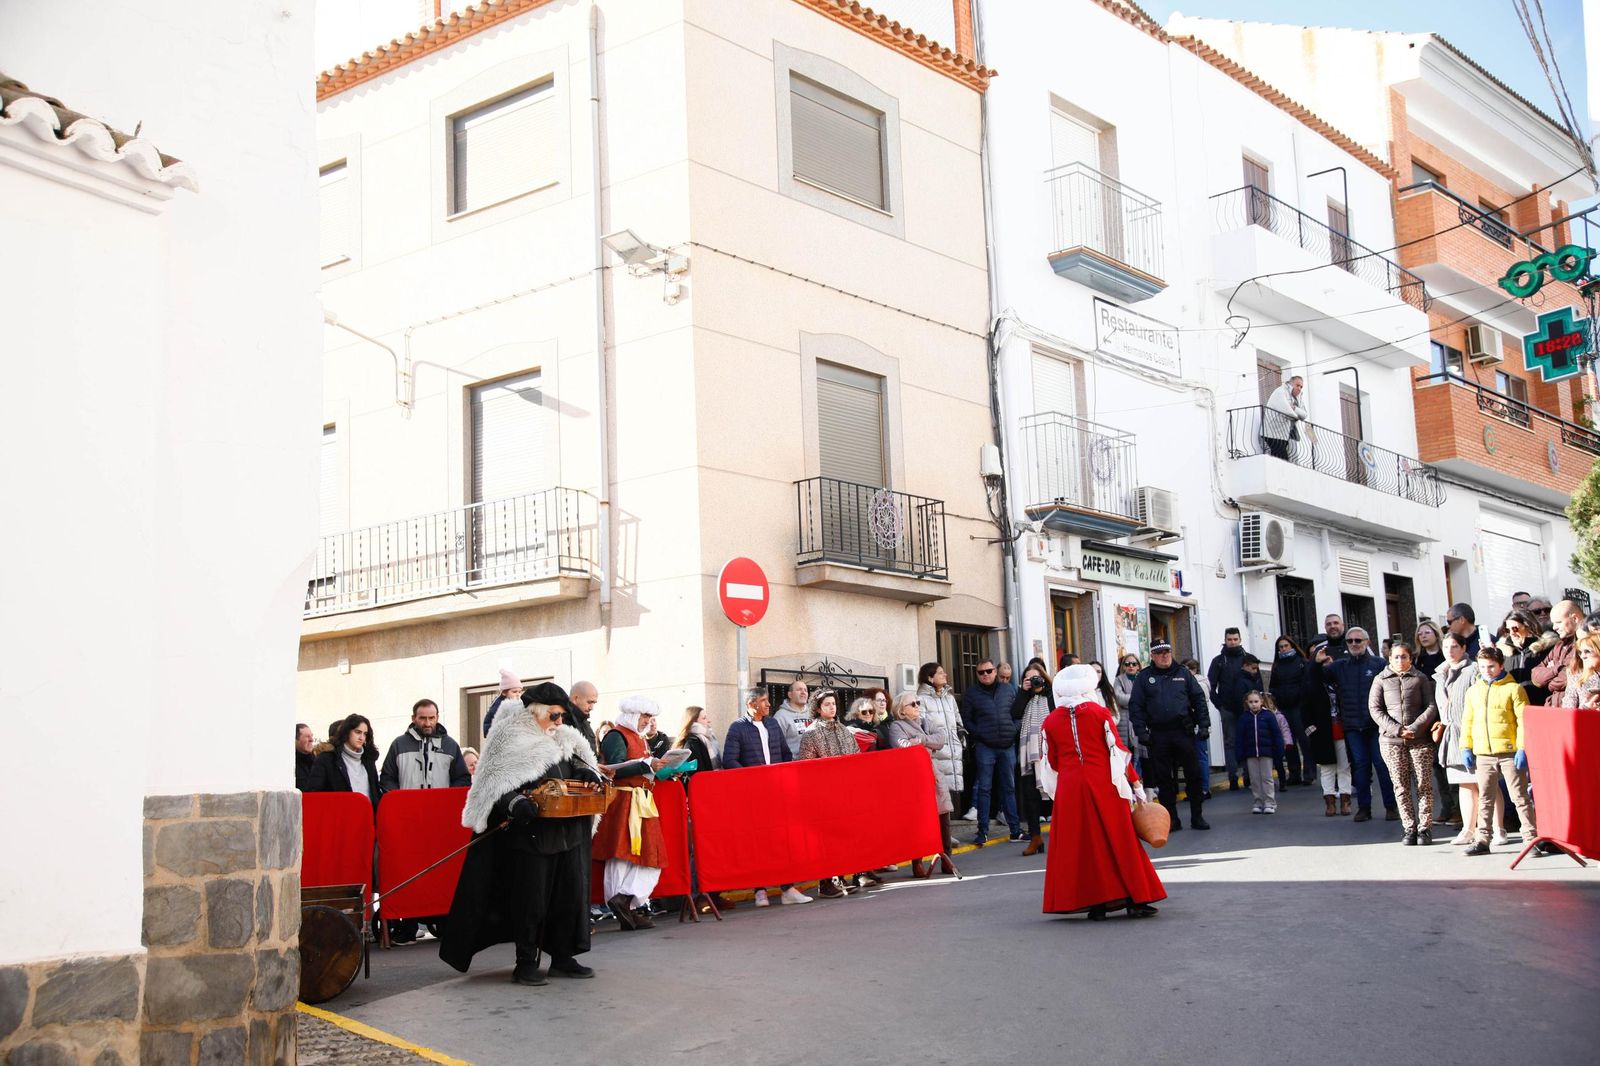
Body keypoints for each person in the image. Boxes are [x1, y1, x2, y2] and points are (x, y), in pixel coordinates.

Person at [440, 683, 602, 984]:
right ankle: (526, 962)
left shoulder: (566, 738)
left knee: (568, 898)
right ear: (536, 712)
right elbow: (490, 784)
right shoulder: (507, 736)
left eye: (562, 716)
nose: (559, 722)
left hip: (567, 832)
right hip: (531, 836)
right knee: (532, 901)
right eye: (554, 716)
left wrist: (588, 774)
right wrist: (513, 802)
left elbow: (578, 765)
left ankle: (563, 958)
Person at [1041, 665, 1165, 920]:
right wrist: (1135, 782)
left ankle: (1095, 903)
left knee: (1083, 844)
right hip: (1103, 782)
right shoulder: (1099, 713)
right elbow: (1117, 752)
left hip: (1070, 786)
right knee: (1119, 839)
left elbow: (1051, 761)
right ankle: (1135, 898)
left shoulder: (1051, 721)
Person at [723, 688, 811, 907]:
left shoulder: (772, 724)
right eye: (763, 701)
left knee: (782, 840)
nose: (768, 705)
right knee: (758, 842)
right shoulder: (737, 728)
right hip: (753, 795)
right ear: (751, 704)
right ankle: (759, 890)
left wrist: (783, 777)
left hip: (777, 792)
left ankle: (787, 888)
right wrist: (753, 779)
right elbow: (730, 760)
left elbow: (785, 752)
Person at [1459, 647, 1544, 857]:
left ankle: (1530, 840)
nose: (1487, 670)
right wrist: (1465, 746)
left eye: (1491, 666)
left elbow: (1524, 721)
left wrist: (1522, 748)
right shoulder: (1474, 691)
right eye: (1482, 667)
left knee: (1520, 797)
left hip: (1509, 751)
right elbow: (1468, 721)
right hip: (1483, 752)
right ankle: (1482, 840)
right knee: (1485, 798)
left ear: (1500, 665)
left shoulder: (1513, 689)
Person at [594, 696, 667, 929]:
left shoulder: (637, 737)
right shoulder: (616, 736)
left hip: (640, 800)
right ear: (633, 715)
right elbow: (614, 768)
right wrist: (646, 765)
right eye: (644, 716)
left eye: (649, 717)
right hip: (626, 800)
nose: (647, 721)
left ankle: (626, 904)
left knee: (645, 855)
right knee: (623, 855)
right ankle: (624, 904)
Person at [1129, 641, 1210, 832]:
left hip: (1183, 731)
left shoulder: (1183, 673)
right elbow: (1136, 706)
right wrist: (1141, 732)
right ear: (1152, 656)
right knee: (1164, 779)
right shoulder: (1144, 677)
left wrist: (1204, 725)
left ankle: (1197, 816)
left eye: (1167, 652)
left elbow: (1198, 699)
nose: (1164, 656)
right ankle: (1171, 819)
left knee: (1193, 775)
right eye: (1159, 653)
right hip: (1158, 734)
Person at [1317, 627, 1396, 823]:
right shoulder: (1340, 667)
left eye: (1358, 640)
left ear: (1367, 642)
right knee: (1360, 767)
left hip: (1377, 726)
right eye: (1350, 641)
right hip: (1352, 726)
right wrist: (1315, 662)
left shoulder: (1380, 664)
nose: (1354, 644)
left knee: (1382, 765)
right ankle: (1364, 808)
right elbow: (1316, 679)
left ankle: (1391, 807)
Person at [797, 689, 870, 897]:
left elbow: (856, 756)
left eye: (834, 704)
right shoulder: (811, 733)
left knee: (845, 835)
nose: (832, 707)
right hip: (824, 794)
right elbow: (805, 765)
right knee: (827, 839)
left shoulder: (845, 730)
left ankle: (842, 877)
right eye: (827, 704)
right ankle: (826, 882)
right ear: (818, 709)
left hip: (847, 792)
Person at [1368, 641, 1440, 845]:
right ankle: (1409, 827)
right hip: (1392, 741)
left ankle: (1425, 829)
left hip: (1420, 740)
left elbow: (1431, 706)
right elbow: (1375, 709)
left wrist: (1415, 728)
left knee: (1423, 784)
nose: (1400, 660)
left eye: (1404, 657)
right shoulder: (1380, 680)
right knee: (1400, 785)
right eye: (1396, 657)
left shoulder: (1420, 678)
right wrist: (1398, 730)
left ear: (1411, 658)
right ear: (1390, 659)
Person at [1434, 634, 1502, 846]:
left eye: (1455, 646)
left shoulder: (1473, 669)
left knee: (1487, 783)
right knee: (1464, 784)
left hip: (1475, 732)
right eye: (1446, 646)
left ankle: (1497, 828)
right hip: (1453, 735)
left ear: (1464, 647)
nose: (1450, 650)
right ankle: (1468, 829)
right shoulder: (1440, 672)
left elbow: (1482, 699)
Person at [886, 690, 952, 878]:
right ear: (902, 710)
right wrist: (923, 745)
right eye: (912, 704)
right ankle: (917, 862)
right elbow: (902, 746)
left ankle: (947, 858)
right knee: (919, 820)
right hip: (913, 777)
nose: (917, 707)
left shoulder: (925, 722)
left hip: (933, 773)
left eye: (918, 703)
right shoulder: (897, 726)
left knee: (943, 815)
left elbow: (941, 739)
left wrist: (922, 740)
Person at [959, 658, 1022, 845]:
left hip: (1007, 745)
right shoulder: (971, 694)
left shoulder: (1009, 690)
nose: (985, 675)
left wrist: (1013, 729)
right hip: (985, 746)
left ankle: (1015, 830)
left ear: (995, 671)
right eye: (981, 672)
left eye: (988, 671)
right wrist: (979, 734)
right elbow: (966, 719)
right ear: (977, 675)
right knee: (984, 789)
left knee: (1009, 788)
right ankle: (982, 832)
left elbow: (1019, 713)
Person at [915, 663, 964, 850]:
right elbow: (924, 727)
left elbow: (958, 721)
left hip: (952, 751)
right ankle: (938, 835)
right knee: (937, 795)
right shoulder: (921, 699)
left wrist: (961, 737)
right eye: (940, 673)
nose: (945, 675)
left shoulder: (949, 698)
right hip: (936, 753)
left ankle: (946, 834)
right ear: (929, 677)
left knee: (947, 795)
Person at [380, 699, 471, 793]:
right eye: (422, 718)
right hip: (407, 806)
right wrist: (400, 799)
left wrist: (446, 798)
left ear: (437, 717)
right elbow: (387, 778)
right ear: (413, 718)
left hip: (440, 806)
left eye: (431, 718)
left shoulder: (450, 745)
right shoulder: (398, 744)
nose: (427, 723)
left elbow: (462, 779)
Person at [1300, 643, 1349, 815]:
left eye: (1330, 660)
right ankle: (1329, 802)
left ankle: (1345, 801)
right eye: (1323, 661)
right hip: (1322, 731)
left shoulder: (1341, 680)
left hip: (1342, 728)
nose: (1327, 663)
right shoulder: (1312, 682)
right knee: (1328, 768)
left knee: (1344, 767)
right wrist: (1310, 729)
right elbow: (1304, 708)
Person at [1011, 659, 1054, 856]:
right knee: (1030, 794)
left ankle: (1062, 834)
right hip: (1029, 753)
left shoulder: (1053, 694)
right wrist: (1023, 690)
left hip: (1049, 751)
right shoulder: (1024, 696)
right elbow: (1015, 713)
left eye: (1035, 677)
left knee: (1055, 793)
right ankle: (1035, 837)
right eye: (1027, 679)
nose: (1032, 681)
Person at [307, 714, 382, 807]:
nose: (361, 738)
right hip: (339, 818)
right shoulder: (327, 759)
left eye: (365, 734)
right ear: (347, 732)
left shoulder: (368, 760)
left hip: (368, 818)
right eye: (357, 732)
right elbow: (314, 795)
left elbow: (375, 794)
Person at [1267, 636, 1313, 786]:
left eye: (1286, 646)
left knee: (1305, 740)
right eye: (1280, 647)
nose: (1283, 649)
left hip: (1299, 706)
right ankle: (1294, 773)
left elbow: (1307, 683)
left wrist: (1300, 697)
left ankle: (1309, 773)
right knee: (1289, 741)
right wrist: (1276, 698)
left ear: (1292, 646)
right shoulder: (1277, 666)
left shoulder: (1301, 663)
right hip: (1283, 707)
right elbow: (1272, 685)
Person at [1206, 628, 1249, 789]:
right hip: (1228, 709)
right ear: (1225, 640)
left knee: (1247, 741)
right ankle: (1232, 777)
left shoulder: (1247, 659)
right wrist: (1220, 705)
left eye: (1235, 639)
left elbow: (1255, 681)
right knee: (1230, 743)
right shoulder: (1218, 661)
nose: (1232, 642)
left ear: (1240, 640)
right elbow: (1210, 685)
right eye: (1229, 639)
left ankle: (1248, 776)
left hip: (1247, 709)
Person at [1235, 690, 1285, 814]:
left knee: (1267, 778)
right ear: (1247, 703)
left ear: (1261, 701)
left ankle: (1270, 802)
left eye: (1256, 701)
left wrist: (1279, 750)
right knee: (1255, 779)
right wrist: (1239, 753)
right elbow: (1239, 737)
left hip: (1266, 752)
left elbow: (1276, 735)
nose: (1254, 704)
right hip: (1251, 753)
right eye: (1251, 702)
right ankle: (1258, 801)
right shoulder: (1244, 718)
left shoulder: (1268, 716)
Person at [1530, 599, 1583, 706]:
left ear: (1575, 618)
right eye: (1553, 623)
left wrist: (1549, 675)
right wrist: (1557, 669)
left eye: (1558, 622)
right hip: (1556, 708)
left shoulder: (1588, 645)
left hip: (1579, 710)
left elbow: (1568, 679)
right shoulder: (1560, 645)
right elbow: (1535, 676)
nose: (1554, 627)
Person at [1262, 374, 1308, 460]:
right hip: (1271, 432)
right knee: (1282, 458)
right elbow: (1287, 411)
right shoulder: (1280, 391)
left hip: (1283, 434)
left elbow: (1304, 414)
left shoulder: (1298, 397)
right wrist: (1297, 417)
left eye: (1301, 387)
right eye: (1297, 385)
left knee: (1280, 458)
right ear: (1291, 384)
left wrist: (1294, 408)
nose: (1299, 388)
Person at [676, 705, 720, 777]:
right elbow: (697, 774)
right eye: (704, 718)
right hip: (704, 785)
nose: (708, 721)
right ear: (693, 722)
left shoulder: (708, 738)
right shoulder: (692, 743)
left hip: (712, 782)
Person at [480, 666, 524, 737]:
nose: (518, 694)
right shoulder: (499, 705)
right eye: (514, 692)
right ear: (504, 692)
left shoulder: (513, 704)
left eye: (519, 692)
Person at [1561, 634, 1600, 708]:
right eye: (1580, 652)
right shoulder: (1576, 676)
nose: (1582, 656)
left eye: (1587, 651)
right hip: (1585, 718)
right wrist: (1586, 708)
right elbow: (1567, 710)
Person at [295, 723, 317, 790]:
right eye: (307, 736)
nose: (311, 740)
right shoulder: (290, 764)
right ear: (296, 739)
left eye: (311, 736)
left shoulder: (318, 762)